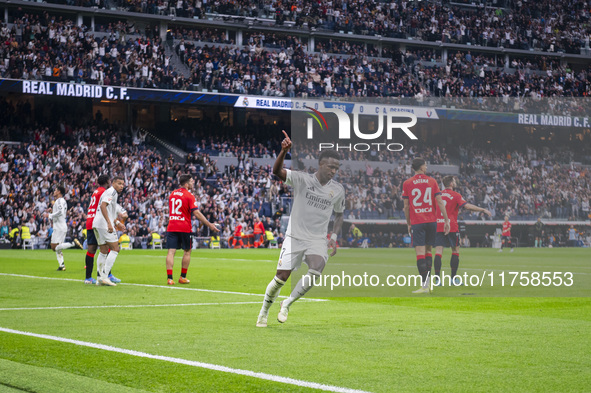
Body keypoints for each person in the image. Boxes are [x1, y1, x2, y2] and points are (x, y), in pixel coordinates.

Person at [256, 131, 345, 327]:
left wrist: (334, 236)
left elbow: (339, 214)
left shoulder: (338, 190)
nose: (333, 171)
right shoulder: (302, 179)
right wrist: (283, 152)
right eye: (331, 167)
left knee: (317, 268)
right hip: (294, 236)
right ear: (321, 165)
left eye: (336, 168)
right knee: (281, 278)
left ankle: (287, 303)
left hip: (317, 240)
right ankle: (264, 311)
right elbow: (277, 171)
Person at [402, 158, 450, 294]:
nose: (427, 167)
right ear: (422, 167)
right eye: (426, 165)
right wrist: (446, 220)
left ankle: (424, 286)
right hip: (431, 221)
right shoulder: (432, 181)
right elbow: (440, 202)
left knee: (420, 254)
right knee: (429, 251)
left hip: (418, 221)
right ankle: (428, 285)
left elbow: (406, 206)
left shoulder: (407, 183)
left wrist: (408, 222)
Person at [433, 176, 491, 285]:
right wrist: (482, 209)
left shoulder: (438, 195)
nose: (455, 182)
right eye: (454, 181)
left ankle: (437, 280)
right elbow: (467, 206)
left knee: (438, 252)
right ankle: (453, 279)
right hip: (451, 226)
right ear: (450, 183)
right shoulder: (456, 195)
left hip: (439, 225)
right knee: (455, 251)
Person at [165, 174, 219, 285]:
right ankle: (182, 277)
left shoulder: (172, 194)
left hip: (172, 226)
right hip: (184, 227)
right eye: (191, 181)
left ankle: (170, 278)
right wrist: (209, 225)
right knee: (187, 252)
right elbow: (197, 213)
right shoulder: (189, 195)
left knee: (171, 252)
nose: (193, 182)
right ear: (186, 183)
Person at [83, 175, 120, 284]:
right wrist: (111, 222)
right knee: (110, 247)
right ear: (109, 181)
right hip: (100, 220)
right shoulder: (106, 191)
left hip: (91, 220)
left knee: (93, 250)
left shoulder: (96, 191)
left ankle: (89, 277)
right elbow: (104, 206)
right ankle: (106, 275)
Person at [92, 176, 127, 286]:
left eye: (123, 184)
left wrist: (117, 223)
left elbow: (108, 210)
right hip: (103, 224)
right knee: (115, 248)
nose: (121, 186)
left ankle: (99, 278)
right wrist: (108, 223)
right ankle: (105, 276)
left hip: (97, 223)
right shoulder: (112, 192)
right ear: (113, 183)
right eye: (119, 183)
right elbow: (103, 206)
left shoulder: (110, 192)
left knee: (103, 250)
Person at [48, 185, 81, 271]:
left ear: (59, 191)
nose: (54, 192)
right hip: (61, 225)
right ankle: (61, 265)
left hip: (59, 226)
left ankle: (73, 244)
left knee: (54, 247)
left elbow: (60, 211)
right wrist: (52, 211)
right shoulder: (61, 201)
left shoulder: (59, 200)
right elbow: (62, 212)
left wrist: (50, 215)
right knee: (58, 247)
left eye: (55, 190)